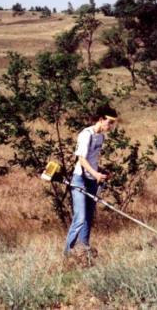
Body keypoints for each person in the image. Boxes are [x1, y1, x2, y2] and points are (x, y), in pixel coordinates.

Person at [63, 107, 117, 256]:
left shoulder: (101, 137)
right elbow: (81, 159)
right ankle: (67, 252)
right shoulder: (86, 134)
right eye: (109, 122)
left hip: (92, 179)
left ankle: (84, 248)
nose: (110, 126)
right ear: (101, 119)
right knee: (80, 217)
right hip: (80, 179)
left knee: (88, 215)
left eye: (113, 123)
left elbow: (92, 159)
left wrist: (101, 171)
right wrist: (95, 173)